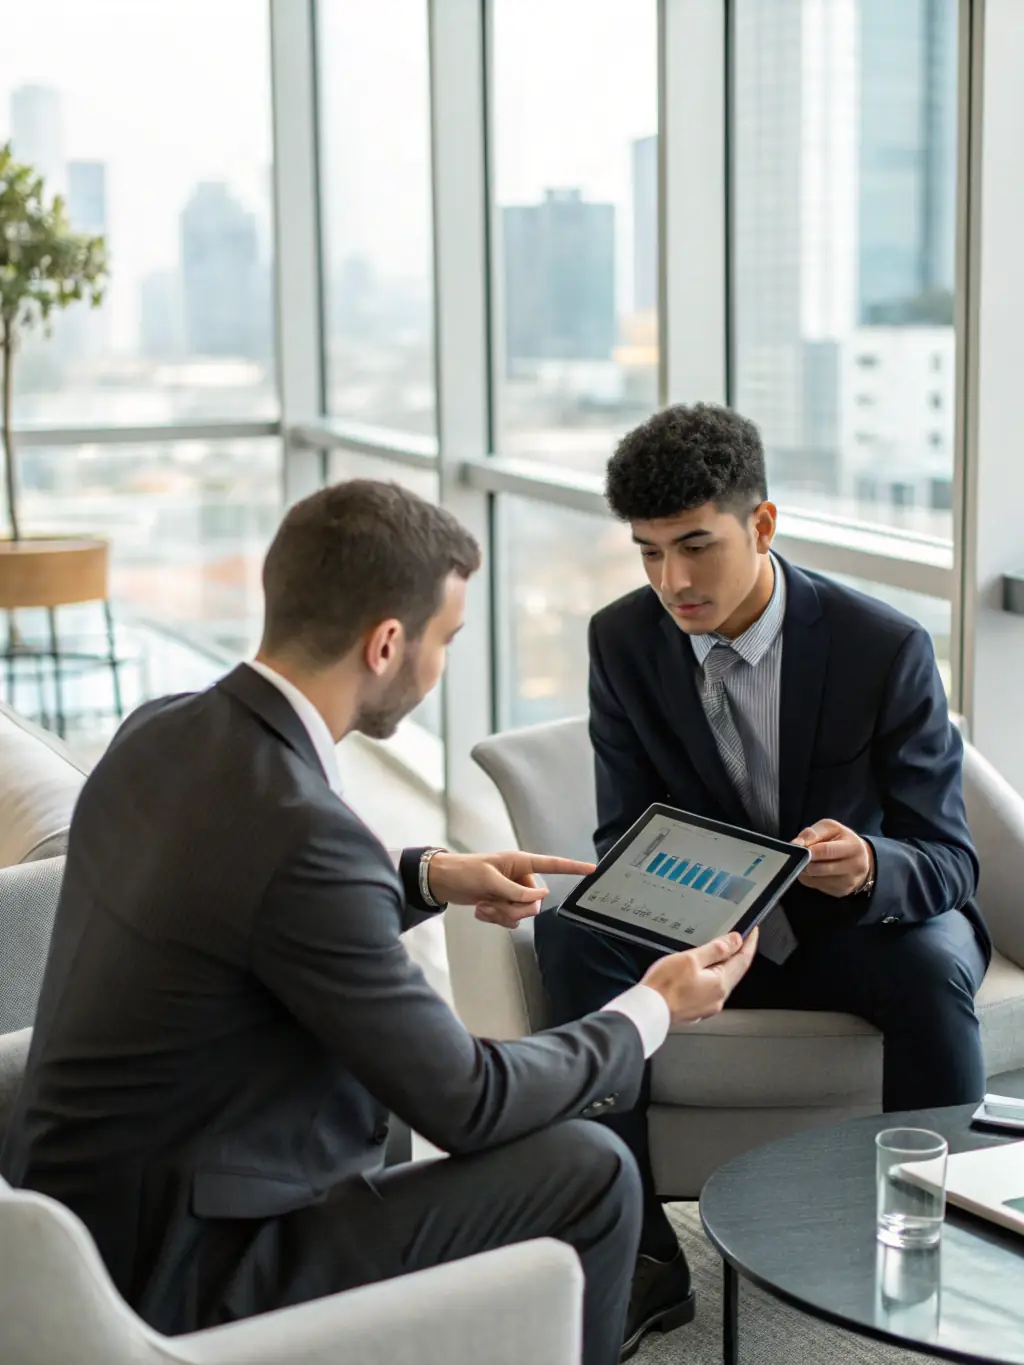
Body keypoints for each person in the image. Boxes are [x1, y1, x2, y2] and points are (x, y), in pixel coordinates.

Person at [1, 479, 758, 1365]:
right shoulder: (305, 832)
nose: (439, 669)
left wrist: (427, 875)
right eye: (444, 641)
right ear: (387, 643)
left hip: (76, 1226)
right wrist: (652, 1008)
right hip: (187, 1275)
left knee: (368, 1092)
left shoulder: (161, 733)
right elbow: (470, 1100)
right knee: (590, 1171)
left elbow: (242, 897)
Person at [534, 402, 990, 1328]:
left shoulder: (882, 646)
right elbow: (624, 831)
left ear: (763, 524)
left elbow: (949, 858)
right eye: (650, 552)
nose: (674, 580)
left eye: (696, 545)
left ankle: (937, 1244)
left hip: (844, 929)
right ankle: (641, 1256)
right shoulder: (621, 640)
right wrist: (683, 894)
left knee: (935, 964)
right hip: (705, 929)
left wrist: (866, 864)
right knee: (569, 932)